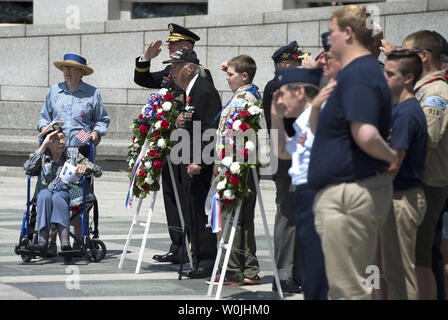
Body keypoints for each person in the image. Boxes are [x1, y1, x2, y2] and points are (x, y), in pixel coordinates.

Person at [307, 5, 398, 299]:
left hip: (350, 191)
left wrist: (393, 157)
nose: (328, 38)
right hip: (346, 188)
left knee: (348, 290)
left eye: (332, 32)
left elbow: (366, 134)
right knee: (346, 287)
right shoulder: (353, 73)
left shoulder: (359, 73)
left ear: (347, 33)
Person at [134, 24, 213, 265]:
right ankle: (177, 244)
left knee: (185, 194)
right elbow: (143, 79)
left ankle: (191, 244)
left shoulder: (199, 73)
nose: (169, 47)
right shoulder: (170, 71)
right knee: (170, 194)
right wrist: (146, 58)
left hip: (186, 142)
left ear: (187, 46)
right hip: (167, 141)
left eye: (174, 43)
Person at [37, 53, 109, 255]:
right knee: (51, 191)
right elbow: (43, 119)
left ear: (81, 72)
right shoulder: (54, 91)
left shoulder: (91, 93)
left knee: (77, 197)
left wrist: (94, 133)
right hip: (55, 150)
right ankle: (50, 241)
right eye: (64, 68)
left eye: (71, 68)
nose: (67, 71)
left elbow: (101, 120)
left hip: (80, 148)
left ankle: (78, 239)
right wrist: (48, 130)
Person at [271, 66, 333, 300]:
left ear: (299, 92)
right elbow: (284, 153)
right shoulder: (304, 121)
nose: (279, 98)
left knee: (323, 278)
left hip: (319, 203)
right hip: (306, 201)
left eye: (282, 93)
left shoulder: (319, 119)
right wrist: (276, 117)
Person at [207, 55, 267, 286]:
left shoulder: (244, 98)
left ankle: (233, 270)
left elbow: (235, 136)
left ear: (244, 76)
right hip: (240, 163)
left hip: (236, 165)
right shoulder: (245, 93)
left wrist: (222, 165)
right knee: (242, 219)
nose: (226, 77)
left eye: (230, 74)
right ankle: (249, 270)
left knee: (231, 218)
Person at [399, 30, 448, 300]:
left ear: (423, 56)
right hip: (421, 182)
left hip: (426, 184)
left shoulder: (435, 92)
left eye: (407, 52)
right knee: (423, 255)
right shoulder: (422, 88)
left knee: (421, 260)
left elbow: (426, 144)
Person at [164, 49, 221, 278]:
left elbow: (209, 130)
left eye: (176, 67)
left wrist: (199, 160)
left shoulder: (204, 91)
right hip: (188, 162)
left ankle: (206, 261)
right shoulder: (190, 91)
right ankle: (198, 257)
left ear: (190, 67)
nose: (172, 71)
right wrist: (179, 123)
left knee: (200, 213)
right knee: (193, 212)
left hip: (199, 165)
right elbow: (192, 123)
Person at [380, 50, 427, 300]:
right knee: (394, 272)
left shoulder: (407, 113)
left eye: (390, 74)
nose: (384, 78)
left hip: (402, 200)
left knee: (401, 272)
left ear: (408, 78)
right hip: (397, 197)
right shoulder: (400, 109)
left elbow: (394, 164)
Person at [263, 41, 308, 294]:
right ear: (284, 64)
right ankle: (282, 274)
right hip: (287, 160)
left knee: (299, 218)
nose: (301, 65)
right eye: (296, 63)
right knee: (288, 218)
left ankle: (296, 273)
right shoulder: (277, 86)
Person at [24, 129, 102, 264]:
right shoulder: (42, 157)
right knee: (44, 195)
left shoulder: (73, 155)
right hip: (45, 194)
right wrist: (43, 146)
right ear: (49, 142)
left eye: (63, 138)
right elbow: (28, 167)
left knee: (58, 197)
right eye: (56, 139)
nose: (62, 142)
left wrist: (86, 167)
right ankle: (43, 241)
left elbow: (98, 170)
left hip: (67, 194)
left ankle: (65, 243)